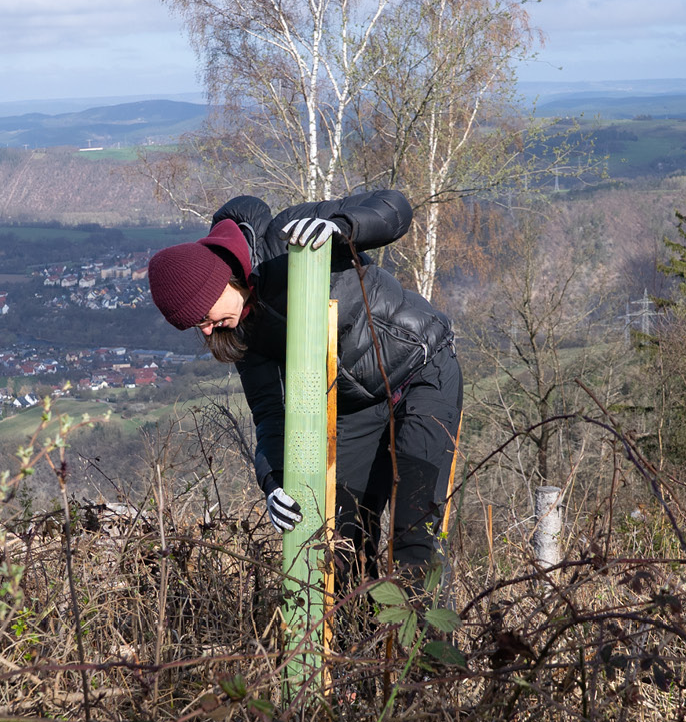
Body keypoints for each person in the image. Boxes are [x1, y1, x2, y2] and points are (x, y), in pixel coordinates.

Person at [145, 190, 462, 605]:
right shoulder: (240, 330)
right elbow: (270, 412)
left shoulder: (287, 236)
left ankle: (430, 664)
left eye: (203, 316)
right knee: (342, 545)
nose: (206, 331)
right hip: (354, 409)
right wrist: (275, 482)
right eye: (195, 327)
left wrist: (344, 229)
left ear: (220, 280)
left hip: (422, 373)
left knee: (414, 538)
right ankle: (359, 662)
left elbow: (395, 207)